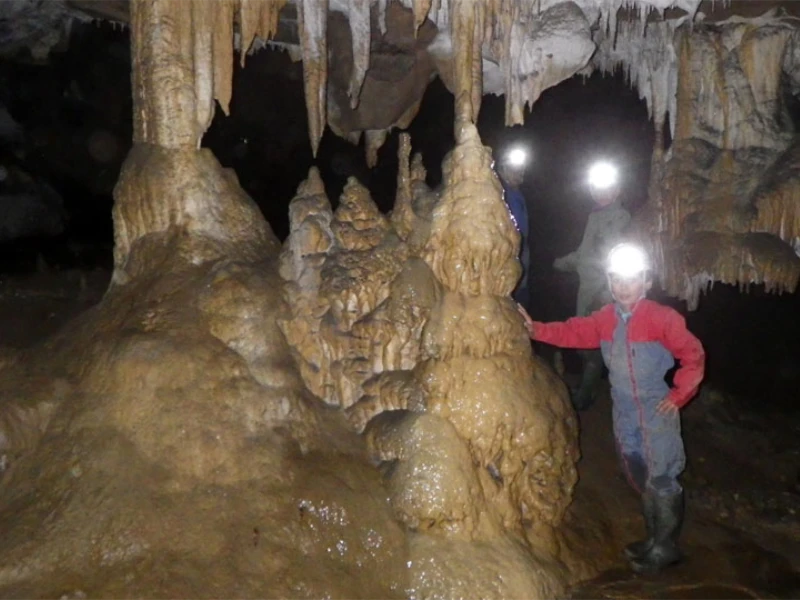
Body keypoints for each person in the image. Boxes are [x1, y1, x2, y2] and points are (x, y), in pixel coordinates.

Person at [517, 243, 705, 574]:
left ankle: (666, 547)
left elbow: (693, 355)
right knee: (639, 473)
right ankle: (653, 540)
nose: (623, 286)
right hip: (623, 409)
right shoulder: (606, 318)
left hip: (655, 407)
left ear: (646, 281)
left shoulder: (662, 318)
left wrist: (678, 396)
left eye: (631, 279)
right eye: (617, 280)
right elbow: (574, 331)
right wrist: (536, 330)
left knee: (662, 476)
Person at [554, 160, 631, 410]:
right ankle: (591, 389)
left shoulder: (616, 218)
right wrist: (562, 262)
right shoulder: (597, 216)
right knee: (588, 342)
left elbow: (614, 258)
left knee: (592, 345)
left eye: (607, 188)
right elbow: (587, 253)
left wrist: (607, 296)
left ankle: (586, 395)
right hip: (588, 288)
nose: (600, 193)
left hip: (599, 292)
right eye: (596, 188)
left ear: (617, 190)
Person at [497, 146, 531, 310]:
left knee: (521, 294)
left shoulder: (519, 195)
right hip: (507, 250)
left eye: (521, 170)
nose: (519, 173)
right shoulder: (500, 193)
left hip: (521, 250)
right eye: (514, 169)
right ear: (503, 170)